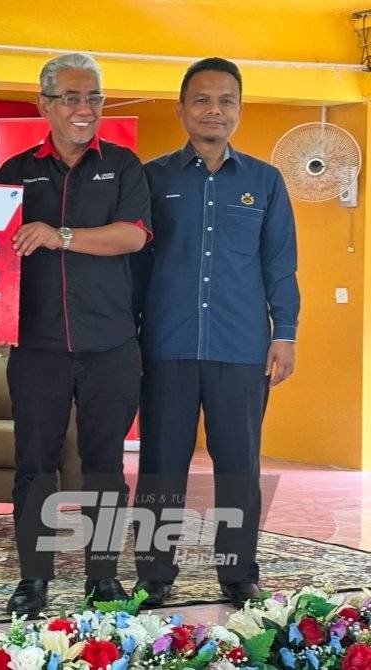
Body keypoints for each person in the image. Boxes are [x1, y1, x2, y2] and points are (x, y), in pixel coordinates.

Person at [132, 57, 299, 609]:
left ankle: (238, 574)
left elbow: (279, 265)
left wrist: (286, 333)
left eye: (226, 100)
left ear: (239, 110)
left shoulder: (264, 181)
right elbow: (134, 265)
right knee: (161, 466)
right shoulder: (151, 178)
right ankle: (155, 575)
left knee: (238, 467)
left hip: (240, 346)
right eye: (202, 99)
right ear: (181, 108)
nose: (214, 110)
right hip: (166, 345)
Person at [0, 53, 151, 617]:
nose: (85, 110)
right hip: (36, 347)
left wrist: (59, 235)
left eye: (95, 99)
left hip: (110, 345)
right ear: (45, 105)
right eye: (72, 98)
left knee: (105, 464)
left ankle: (102, 577)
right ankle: (33, 580)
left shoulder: (125, 165)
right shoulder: (15, 171)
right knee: (34, 464)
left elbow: (132, 236)